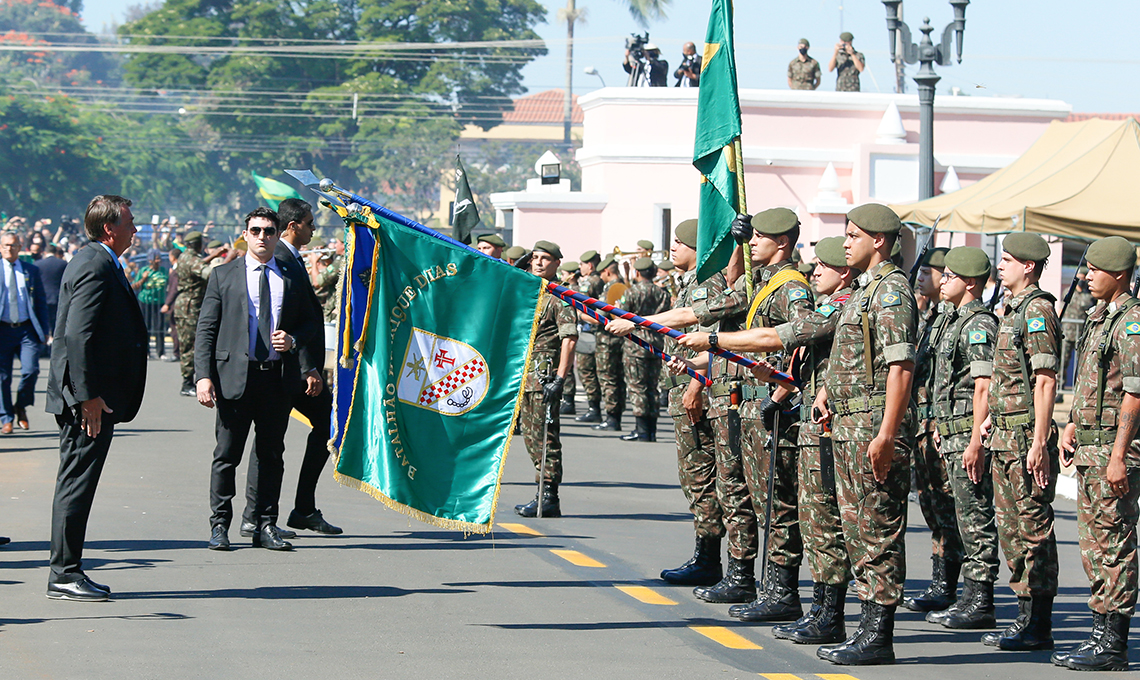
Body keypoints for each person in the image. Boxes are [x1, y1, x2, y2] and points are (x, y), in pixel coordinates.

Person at [675, 235, 857, 643]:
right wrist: (775, 379)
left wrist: (773, 387)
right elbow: (792, 359)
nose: (817, 273)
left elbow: (786, 339)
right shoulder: (778, 286)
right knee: (768, 502)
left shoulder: (796, 288)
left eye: (824, 267)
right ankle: (782, 592)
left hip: (816, 420)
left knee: (789, 507)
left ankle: (787, 593)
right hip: (779, 404)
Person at [673, 209, 815, 620]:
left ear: (782, 242)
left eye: (759, 237)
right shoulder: (766, 283)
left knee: (775, 502)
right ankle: (750, 579)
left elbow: (799, 339)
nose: (752, 242)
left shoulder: (791, 288)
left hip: (768, 406)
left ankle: (781, 591)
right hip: (748, 403)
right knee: (750, 496)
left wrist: (782, 389)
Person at [813, 203, 916, 665]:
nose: (846, 242)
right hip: (851, 423)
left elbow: (900, 367)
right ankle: (866, 628)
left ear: (878, 240)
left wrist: (887, 435)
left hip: (873, 428)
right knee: (857, 530)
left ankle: (878, 636)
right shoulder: (862, 291)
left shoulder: (892, 291)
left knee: (877, 531)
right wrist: (828, 393)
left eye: (853, 235)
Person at [195, 207, 322, 552]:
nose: (262, 237)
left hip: (276, 379)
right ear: (246, 234)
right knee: (227, 455)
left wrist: (293, 340)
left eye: (269, 231)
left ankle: (265, 524)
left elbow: (311, 321)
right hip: (235, 378)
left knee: (271, 455)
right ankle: (219, 523)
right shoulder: (223, 276)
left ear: (278, 234)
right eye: (256, 231)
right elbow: (206, 329)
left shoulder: (290, 276)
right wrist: (203, 377)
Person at [45, 195, 148, 601]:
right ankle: (64, 573)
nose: (135, 229)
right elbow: (78, 334)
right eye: (130, 222)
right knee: (75, 484)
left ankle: (67, 570)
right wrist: (88, 397)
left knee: (77, 483)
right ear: (110, 228)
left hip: (91, 395)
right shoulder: (94, 263)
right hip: (86, 400)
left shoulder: (100, 260)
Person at [1057, 236, 1140, 671]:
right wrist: (1072, 423)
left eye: (1093, 269)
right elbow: (1094, 382)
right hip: (1092, 445)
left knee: (1114, 544)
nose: (1085, 276)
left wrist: (1118, 455)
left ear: (1119, 275)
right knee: (1093, 544)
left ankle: (1113, 643)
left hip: (1112, 449)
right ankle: (1098, 634)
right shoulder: (1100, 319)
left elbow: (1134, 392)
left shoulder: (1131, 323)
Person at [977, 233, 1061, 652]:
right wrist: (992, 416)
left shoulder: (1037, 310)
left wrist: (1040, 442)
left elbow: (1045, 380)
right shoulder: (1011, 310)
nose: (1001, 265)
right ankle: (1024, 614)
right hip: (1006, 436)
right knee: (1011, 531)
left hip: (1027, 436)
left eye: (1008, 260)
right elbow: (1012, 377)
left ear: (1029, 266)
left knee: (1033, 531)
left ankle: (1039, 623)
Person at [238, 198, 340, 540]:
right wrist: (308, 367)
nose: (313, 229)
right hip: (284, 369)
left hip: (296, 366)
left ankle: (298, 509)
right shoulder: (279, 259)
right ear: (293, 226)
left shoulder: (291, 259)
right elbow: (286, 321)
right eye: (310, 223)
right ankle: (259, 516)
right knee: (269, 442)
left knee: (312, 428)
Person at [925, 247, 1001, 630]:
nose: (942, 280)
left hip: (966, 438)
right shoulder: (954, 320)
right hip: (951, 433)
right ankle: (967, 596)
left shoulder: (978, 325)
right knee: (961, 516)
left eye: (950, 275)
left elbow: (984, 386)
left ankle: (980, 599)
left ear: (969, 282)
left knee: (976, 518)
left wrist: (975, 442)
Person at [656, 219, 724, 587]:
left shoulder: (703, 285)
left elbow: (700, 335)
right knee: (693, 474)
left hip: (694, 387)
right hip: (683, 383)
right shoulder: (687, 283)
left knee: (700, 474)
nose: (674, 248)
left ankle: (709, 558)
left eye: (681, 242)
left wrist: (696, 384)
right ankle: (706, 553)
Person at [905, 247, 964, 614]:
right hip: (924, 425)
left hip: (943, 426)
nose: (923, 277)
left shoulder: (960, 322)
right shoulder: (931, 318)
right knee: (932, 506)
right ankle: (941, 581)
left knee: (951, 509)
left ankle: (956, 587)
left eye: (930, 272)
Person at [514, 241, 577, 518]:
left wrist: (560, 378)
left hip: (544, 376)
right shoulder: (531, 293)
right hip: (526, 377)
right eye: (535, 258)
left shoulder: (559, 297)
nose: (538, 263)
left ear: (556, 264)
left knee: (544, 438)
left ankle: (549, 496)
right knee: (530, 437)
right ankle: (542, 492)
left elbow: (569, 339)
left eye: (545, 259)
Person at [0, 232, 50, 433]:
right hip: (3, 330)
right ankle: (6, 417)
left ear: (20, 247)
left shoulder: (31, 270)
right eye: (5, 245)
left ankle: (21, 405)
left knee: (31, 370)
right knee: (2, 377)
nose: (8, 249)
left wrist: (45, 330)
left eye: (12, 245)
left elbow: (40, 302)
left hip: (26, 329)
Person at [616, 257, 671, 442]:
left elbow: (621, 316)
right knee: (652, 387)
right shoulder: (663, 293)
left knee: (637, 387)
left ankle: (641, 429)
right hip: (656, 343)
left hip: (636, 344)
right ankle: (652, 430)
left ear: (637, 273)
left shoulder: (631, 292)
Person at [175, 232, 228, 396]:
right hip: (190, 307)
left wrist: (214, 255)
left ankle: (189, 381)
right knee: (191, 345)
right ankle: (187, 383)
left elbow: (198, 264)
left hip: (187, 305)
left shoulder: (186, 256)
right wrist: (228, 260)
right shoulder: (191, 259)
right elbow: (211, 275)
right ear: (198, 244)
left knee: (188, 344)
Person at [590, 256, 627, 432]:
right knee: (618, 380)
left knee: (608, 379)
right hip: (621, 341)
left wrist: (581, 314)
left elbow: (599, 316)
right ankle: (616, 416)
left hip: (607, 341)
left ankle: (612, 418)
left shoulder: (610, 289)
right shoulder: (626, 286)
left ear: (607, 272)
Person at [575, 250, 605, 424]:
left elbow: (582, 305)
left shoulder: (589, 282)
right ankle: (595, 408)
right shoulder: (600, 281)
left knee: (586, 371)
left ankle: (594, 409)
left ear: (590, 265)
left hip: (589, 329)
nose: (580, 267)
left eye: (582, 264)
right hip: (594, 331)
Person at [132, 249, 169, 359]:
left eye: (159, 259)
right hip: (145, 302)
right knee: (145, 328)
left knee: (160, 327)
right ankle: (146, 351)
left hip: (159, 303)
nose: (158, 261)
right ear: (150, 260)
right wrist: (143, 279)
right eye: (156, 259)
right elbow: (134, 286)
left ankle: (161, 352)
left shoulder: (164, 271)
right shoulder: (144, 270)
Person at [1060, 266, 1093, 389]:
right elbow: (1061, 308)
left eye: (1083, 278)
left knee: (1081, 362)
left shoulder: (1089, 295)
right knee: (1063, 361)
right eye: (1079, 278)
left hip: (1081, 334)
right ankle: (1060, 388)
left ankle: (1078, 388)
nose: (1081, 280)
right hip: (1067, 332)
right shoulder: (1068, 292)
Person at [35, 243, 68, 337]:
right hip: (58, 296)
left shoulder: (38, 264)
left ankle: (46, 337)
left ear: (45, 252)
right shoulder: (62, 263)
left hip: (43, 297)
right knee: (57, 321)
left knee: (44, 319)